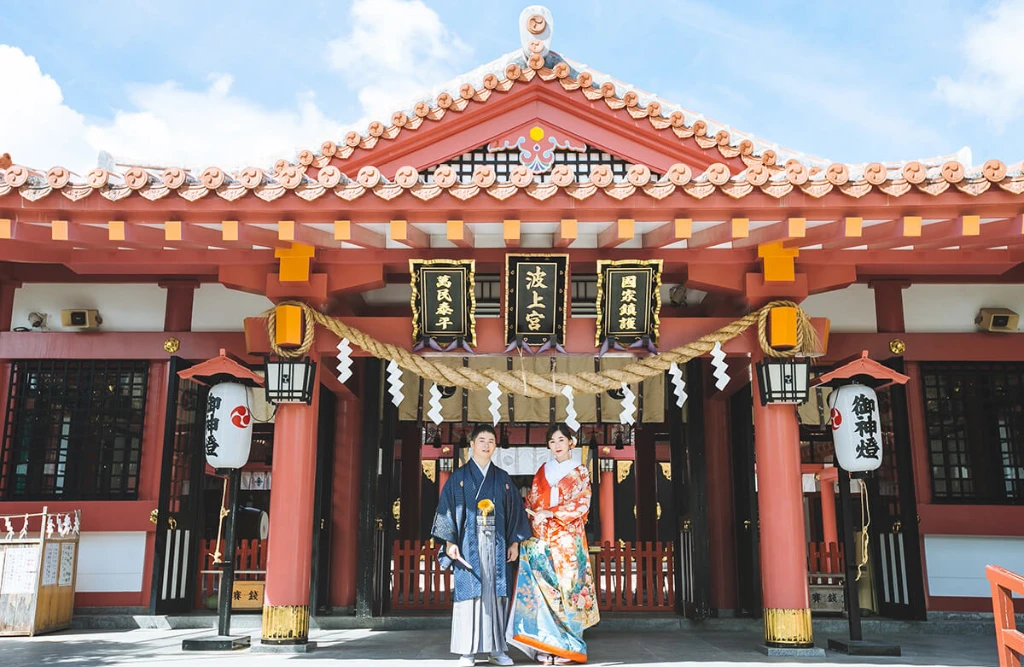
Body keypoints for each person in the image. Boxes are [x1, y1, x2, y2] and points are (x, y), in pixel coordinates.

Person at [432, 424, 532, 667]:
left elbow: (514, 512)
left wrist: (515, 543)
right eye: (482, 441)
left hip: (497, 545)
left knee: (497, 595)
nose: (486, 445)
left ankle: (497, 649)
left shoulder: (503, 479)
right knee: (470, 595)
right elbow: (446, 510)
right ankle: (467, 651)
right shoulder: (459, 478)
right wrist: (449, 541)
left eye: (491, 441)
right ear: (472, 445)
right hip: (468, 545)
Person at [508, 423, 600, 665]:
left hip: (568, 540)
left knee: (569, 589)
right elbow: (532, 501)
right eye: (552, 441)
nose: (557, 445)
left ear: (571, 443)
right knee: (544, 591)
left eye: (562, 440)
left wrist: (552, 512)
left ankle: (571, 646)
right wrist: (533, 516)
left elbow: (583, 503)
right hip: (541, 538)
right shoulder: (542, 471)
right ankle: (547, 644)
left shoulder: (580, 471)